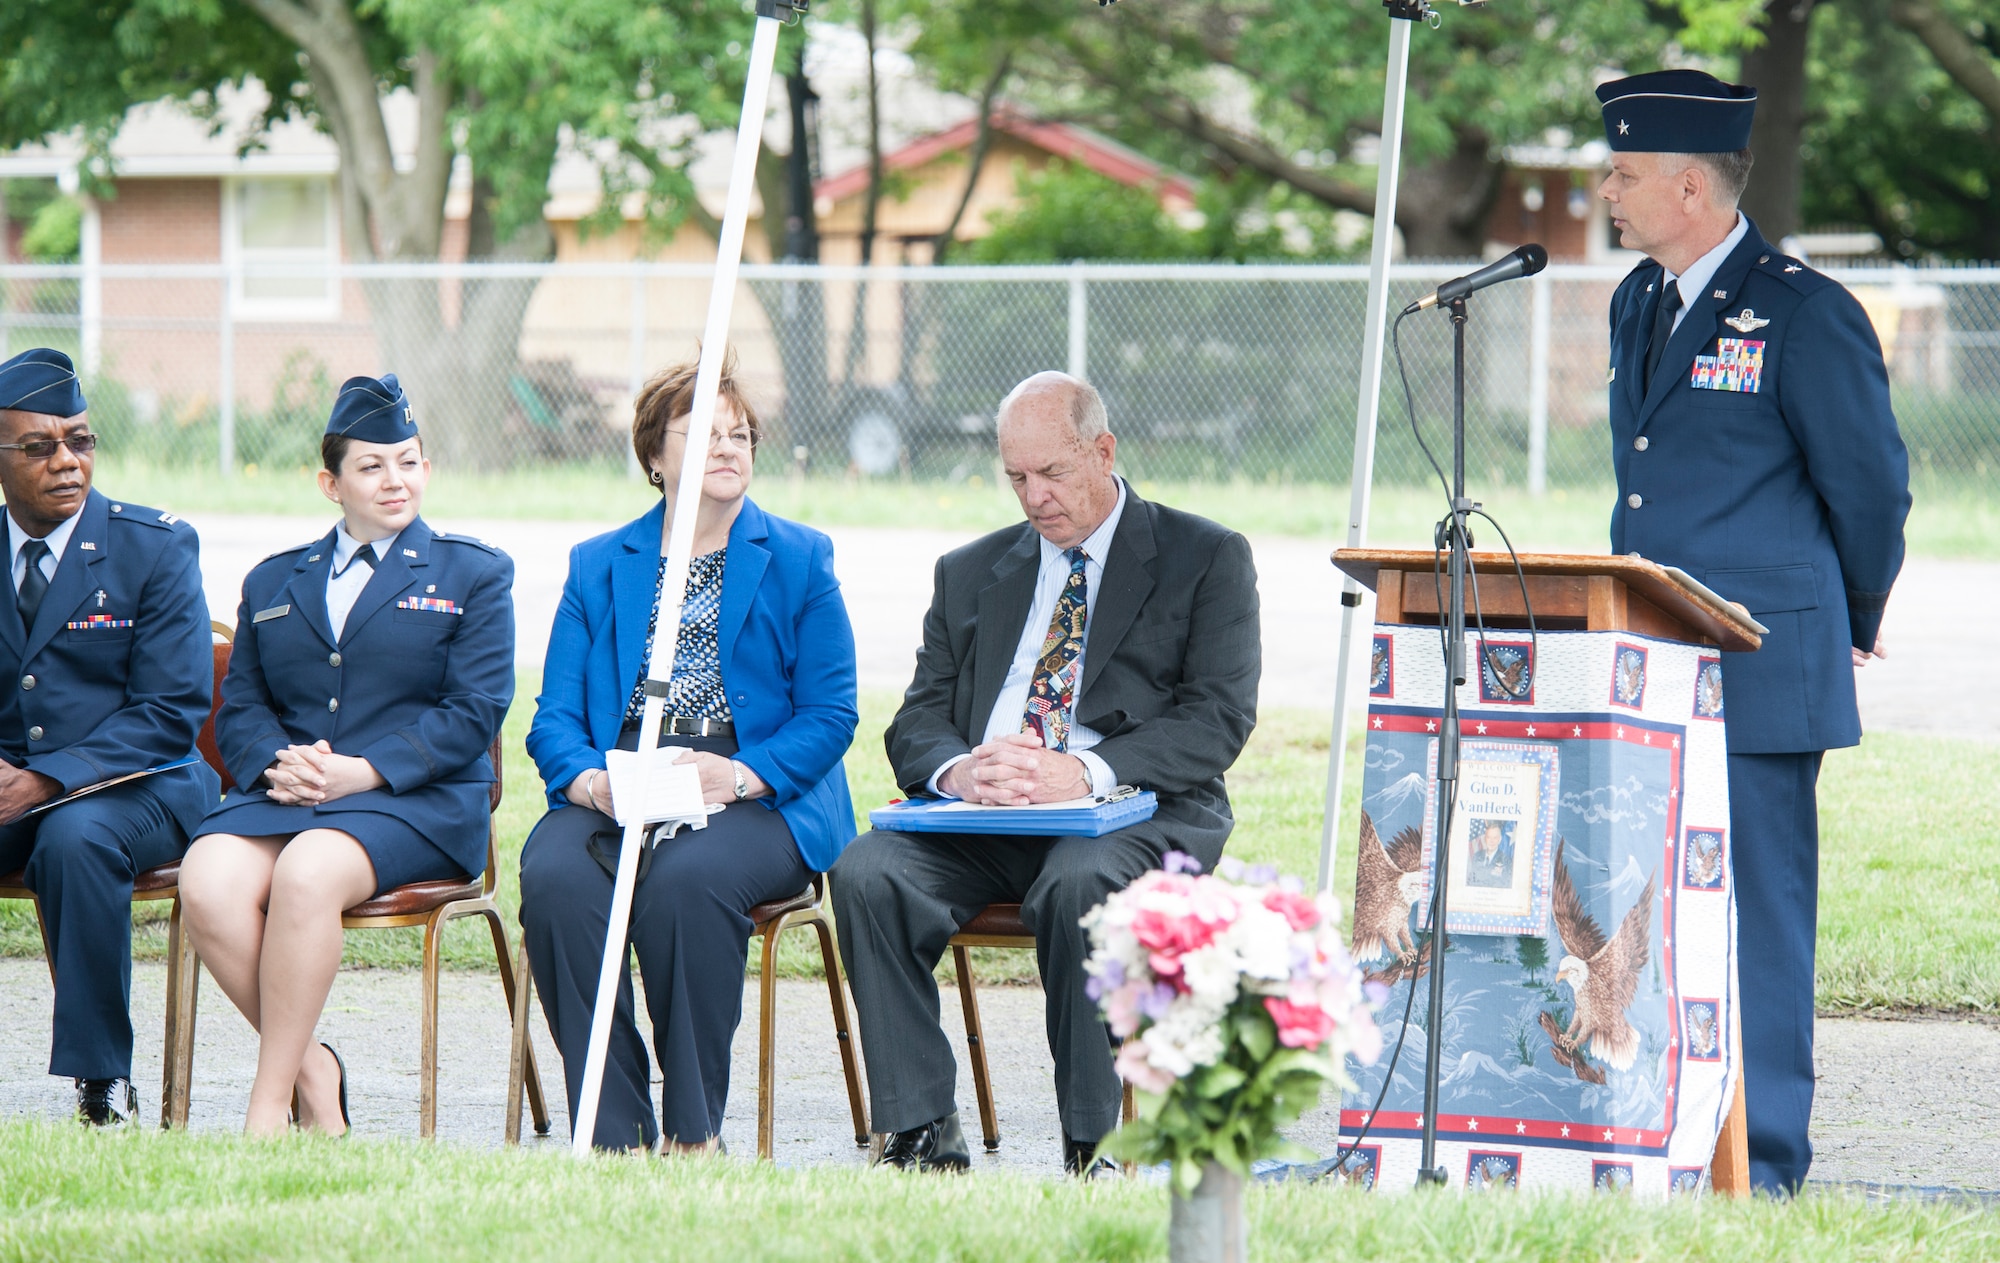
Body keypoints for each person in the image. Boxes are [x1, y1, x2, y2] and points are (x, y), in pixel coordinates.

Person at [1594, 70, 1911, 1194]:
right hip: (1646, 662)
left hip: (1759, 668)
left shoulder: (1803, 311)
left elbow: (1868, 489)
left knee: (1760, 926)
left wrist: (1849, 617)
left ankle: (1764, 1162)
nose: (1605, 189)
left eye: (1623, 174)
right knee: (1650, 912)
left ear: (1689, 184)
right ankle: (1660, 1136)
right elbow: (1643, 491)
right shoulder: (1639, 299)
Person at [833, 371, 1262, 1176]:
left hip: (1134, 813)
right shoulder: (968, 570)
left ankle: (1093, 1141)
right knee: (865, 870)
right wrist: (962, 771)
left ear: (1101, 452)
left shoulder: (1204, 556)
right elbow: (917, 718)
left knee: (1078, 882)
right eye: (1016, 478)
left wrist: (1086, 770)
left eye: (1052, 474)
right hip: (989, 819)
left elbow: (1217, 719)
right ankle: (923, 1130)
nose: (1033, 499)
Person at [519, 357, 858, 1154]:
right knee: (557, 877)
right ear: (653, 458)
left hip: (757, 787)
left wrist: (736, 776)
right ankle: (614, 1131)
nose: (729, 446)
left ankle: (693, 1130)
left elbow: (831, 712)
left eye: (739, 432)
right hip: (623, 777)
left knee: (686, 880)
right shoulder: (598, 564)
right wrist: (596, 785)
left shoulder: (801, 557)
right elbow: (553, 719)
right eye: (704, 433)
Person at [178, 373, 515, 1137]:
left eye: (409, 460)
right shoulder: (273, 580)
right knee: (207, 881)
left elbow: (474, 711)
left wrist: (364, 770)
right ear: (331, 482)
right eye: (372, 465)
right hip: (292, 796)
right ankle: (314, 1071)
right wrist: (273, 763)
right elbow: (242, 709)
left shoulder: (475, 573)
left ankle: (268, 1109)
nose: (395, 479)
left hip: (416, 802)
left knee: (306, 872)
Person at [0, 348, 220, 1127]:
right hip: (12, 793)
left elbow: (172, 708)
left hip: (147, 784)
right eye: (38, 446)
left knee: (74, 837)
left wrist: (46, 779)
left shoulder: (154, 547)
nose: (66, 461)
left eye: (81, 440)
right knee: (57, 828)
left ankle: (102, 1084)